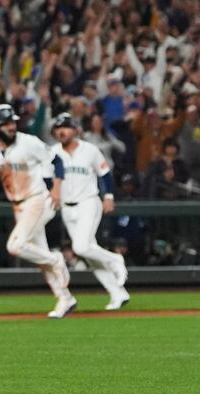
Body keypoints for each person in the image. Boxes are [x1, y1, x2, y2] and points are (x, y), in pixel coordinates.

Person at [0, 104, 75, 318]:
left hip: (37, 200)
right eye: (6, 123)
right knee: (39, 260)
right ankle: (65, 299)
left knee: (15, 246)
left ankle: (56, 259)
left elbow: (57, 160)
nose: (11, 126)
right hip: (18, 205)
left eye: (13, 122)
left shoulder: (29, 142)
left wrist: (56, 189)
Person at [49, 113, 130, 311]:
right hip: (67, 208)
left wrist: (109, 196)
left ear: (75, 130)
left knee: (81, 248)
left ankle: (115, 259)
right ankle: (118, 293)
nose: (62, 131)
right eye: (59, 128)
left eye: (66, 127)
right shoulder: (52, 152)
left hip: (88, 202)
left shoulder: (90, 150)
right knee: (90, 254)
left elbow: (105, 174)